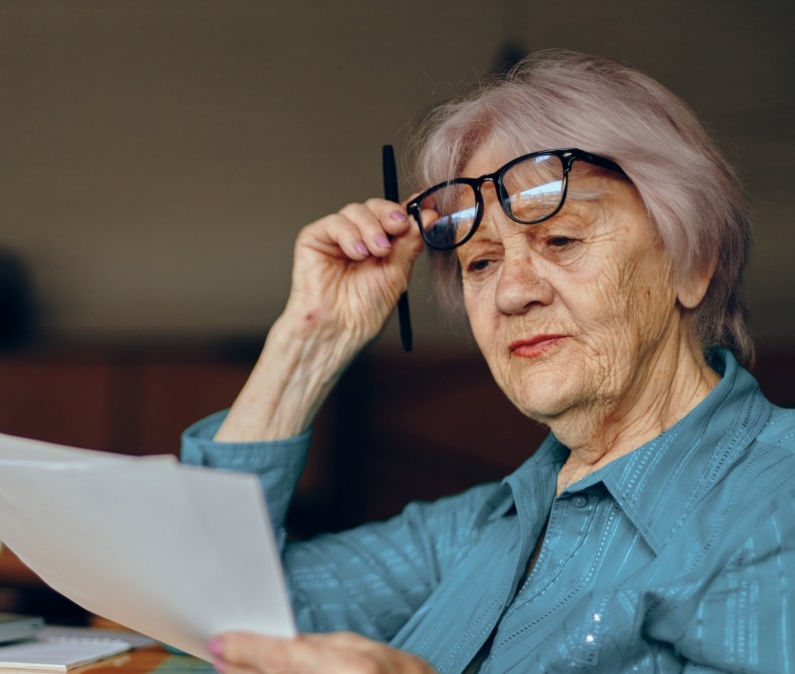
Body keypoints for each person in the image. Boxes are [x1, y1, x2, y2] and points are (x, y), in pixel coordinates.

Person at [180, 50, 795, 673]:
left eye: (561, 239)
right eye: (481, 261)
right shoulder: (479, 530)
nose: (511, 292)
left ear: (692, 264)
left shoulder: (777, 501)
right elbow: (206, 607)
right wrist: (310, 342)